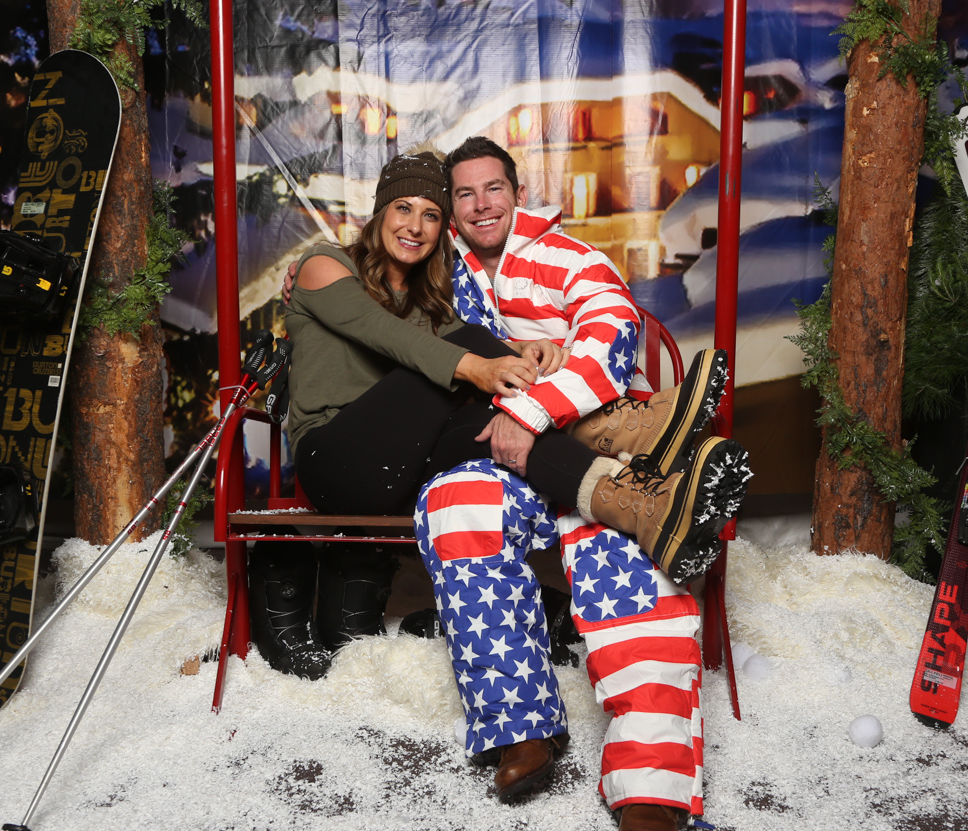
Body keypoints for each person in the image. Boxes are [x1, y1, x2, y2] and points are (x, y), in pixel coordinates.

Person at [256, 152, 743, 685]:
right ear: (378, 213)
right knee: (469, 359)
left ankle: (642, 507)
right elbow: (389, 336)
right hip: (336, 462)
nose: (414, 226)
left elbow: (436, 344)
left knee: (493, 429)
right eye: (402, 208)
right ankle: (626, 425)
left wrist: (529, 349)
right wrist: (482, 365)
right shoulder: (323, 265)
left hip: (398, 471)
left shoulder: (425, 305)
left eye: (431, 215)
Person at [413, 136, 751, 831]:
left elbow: (606, 341)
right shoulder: (445, 273)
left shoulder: (569, 255)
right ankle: (519, 724)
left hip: (589, 449)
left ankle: (652, 788)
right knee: (455, 503)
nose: (481, 205)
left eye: (493, 188)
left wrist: (532, 408)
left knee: (623, 550)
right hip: (498, 456)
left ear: (515, 188)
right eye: (464, 195)